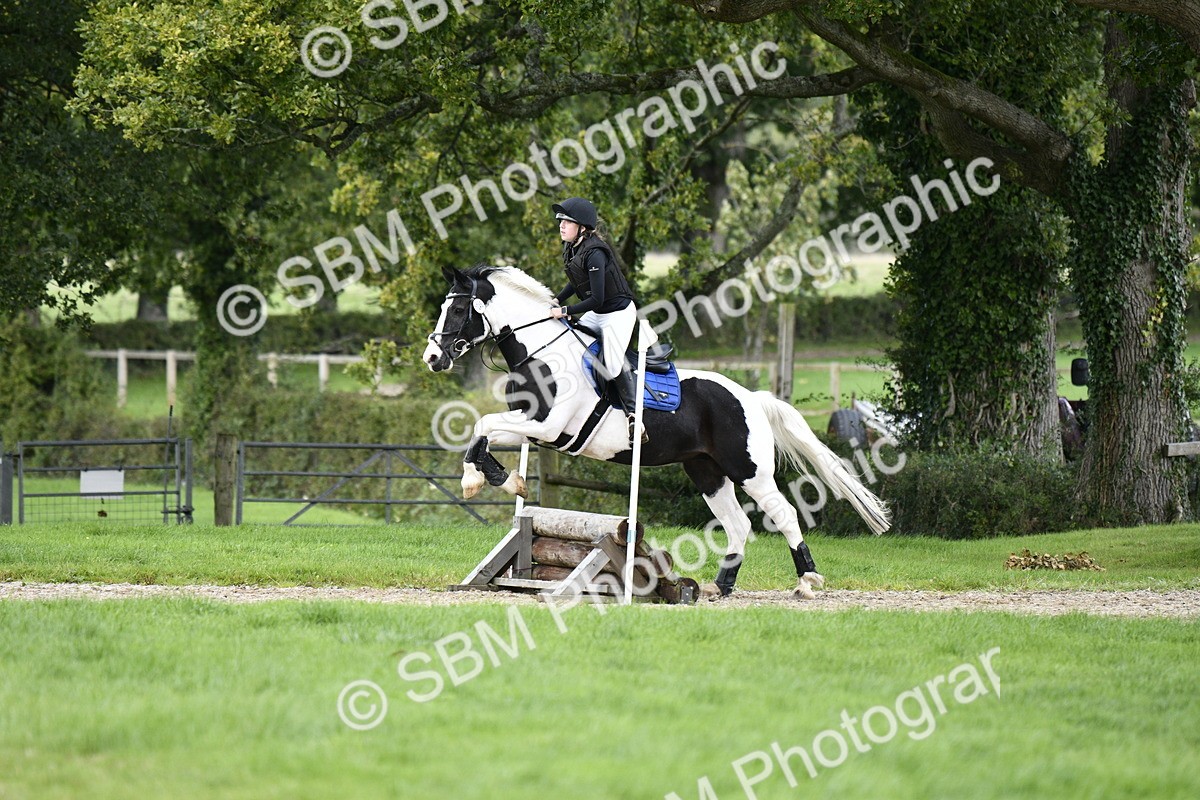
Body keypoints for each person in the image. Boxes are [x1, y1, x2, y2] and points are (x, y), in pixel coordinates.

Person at [548, 197, 647, 444]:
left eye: (567, 221)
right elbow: (576, 282)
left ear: (582, 227)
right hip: (599, 312)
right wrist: (555, 299)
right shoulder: (573, 247)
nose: (561, 225)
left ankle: (635, 416)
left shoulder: (595, 253)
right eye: (560, 221)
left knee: (612, 365)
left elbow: (597, 299)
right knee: (569, 340)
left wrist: (565, 309)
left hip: (617, 313)